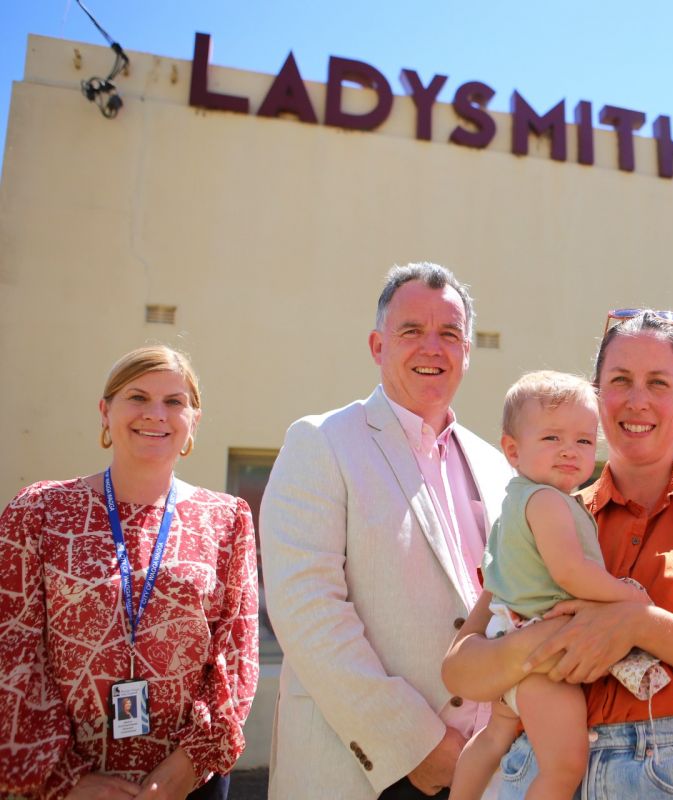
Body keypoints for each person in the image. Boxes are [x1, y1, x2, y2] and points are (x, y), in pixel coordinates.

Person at [443, 309, 673, 800]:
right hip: (537, 767)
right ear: (597, 398)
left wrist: (642, 624)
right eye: (620, 380)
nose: (637, 400)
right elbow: (459, 670)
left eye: (658, 383)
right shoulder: (549, 510)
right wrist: (536, 644)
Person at [259, 263, 513, 800]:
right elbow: (307, 610)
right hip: (365, 770)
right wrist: (414, 745)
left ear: (467, 352)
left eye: (449, 334)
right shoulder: (321, 442)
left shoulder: (497, 466)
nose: (432, 348)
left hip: (487, 771)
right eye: (411, 331)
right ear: (378, 346)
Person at [0, 345, 259, 800]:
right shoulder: (40, 511)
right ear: (105, 411)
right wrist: (65, 778)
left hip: (187, 784)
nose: (155, 414)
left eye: (174, 402)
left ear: (193, 420)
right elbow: (13, 650)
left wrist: (185, 768)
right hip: (61, 785)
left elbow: (235, 658)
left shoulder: (227, 519)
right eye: (137, 397)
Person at [451, 371, 655, 800]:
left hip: (509, 636)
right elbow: (570, 572)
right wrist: (630, 596)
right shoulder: (546, 502)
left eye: (583, 441)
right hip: (540, 656)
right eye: (551, 439)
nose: (569, 450)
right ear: (512, 448)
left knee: (491, 739)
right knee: (564, 767)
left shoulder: (517, 500)